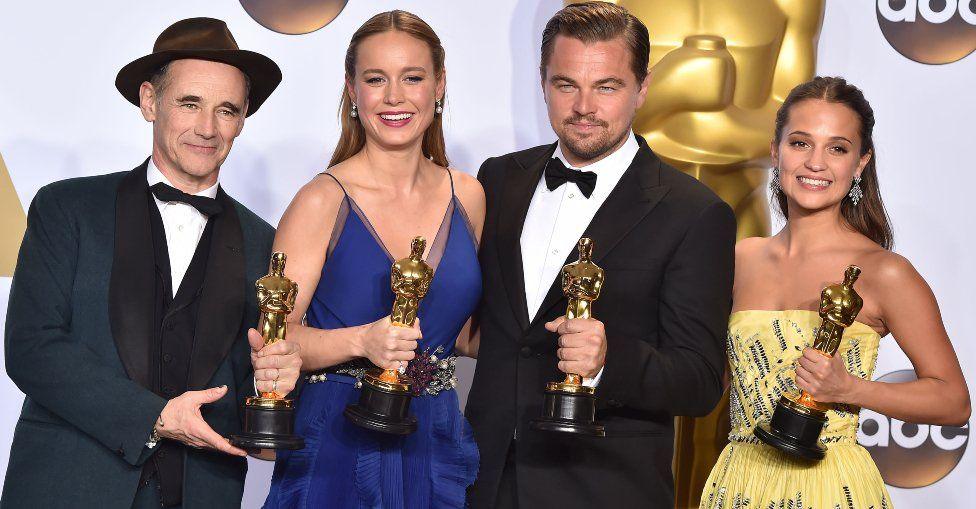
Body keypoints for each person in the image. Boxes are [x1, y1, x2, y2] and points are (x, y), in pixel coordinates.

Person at [1, 17, 302, 509]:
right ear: (149, 101)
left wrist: (279, 382)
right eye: (190, 103)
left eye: (226, 110)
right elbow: (32, 347)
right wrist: (154, 417)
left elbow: (252, 392)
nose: (208, 128)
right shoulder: (68, 208)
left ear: (243, 118)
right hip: (66, 488)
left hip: (200, 493)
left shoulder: (266, 245)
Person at [465, 2, 736, 507]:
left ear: (642, 88)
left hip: (604, 488)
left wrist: (610, 360)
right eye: (566, 84)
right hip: (485, 480)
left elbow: (700, 382)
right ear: (542, 82)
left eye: (606, 86)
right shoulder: (498, 178)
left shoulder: (694, 212)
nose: (584, 106)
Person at [700, 76, 971, 508]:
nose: (816, 163)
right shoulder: (739, 259)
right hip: (738, 482)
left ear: (860, 163)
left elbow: (953, 401)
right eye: (801, 143)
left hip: (830, 486)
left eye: (837, 148)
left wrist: (849, 389)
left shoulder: (885, 272)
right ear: (776, 150)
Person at [262, 10, 485, 509]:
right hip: (339, 438)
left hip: (435, 436)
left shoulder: (468, 195)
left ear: (439, 85)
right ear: (352, 90)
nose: (394, 97)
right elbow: (274, 340)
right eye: (375, 79)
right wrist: (362, 339)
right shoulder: (321, 199)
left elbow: (467, 333)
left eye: (412, 77)